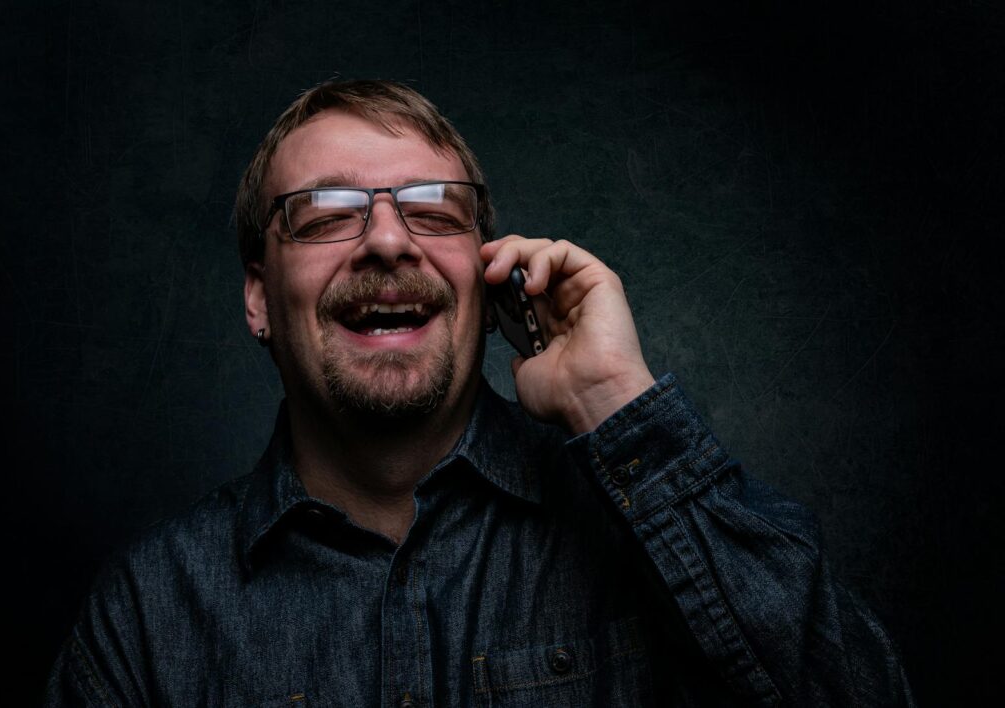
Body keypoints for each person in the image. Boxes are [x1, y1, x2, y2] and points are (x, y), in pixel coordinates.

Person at [45, 79, 913, 706]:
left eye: (433, 210)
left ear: (489, 272)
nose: (388, 239)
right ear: (259, 297)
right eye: (326, 214)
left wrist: (617, 402)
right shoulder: (149, 614)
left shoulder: (633, 536)